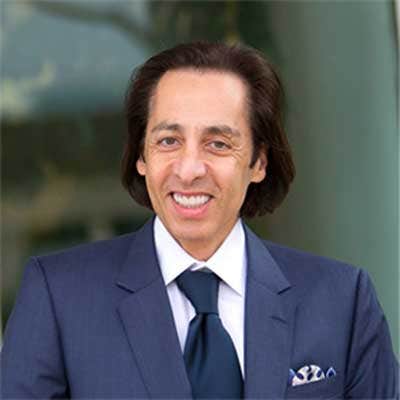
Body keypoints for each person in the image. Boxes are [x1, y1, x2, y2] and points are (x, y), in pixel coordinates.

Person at [1, 42, 398, 399]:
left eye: (218, 144)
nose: (189, 169)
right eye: (168, 141)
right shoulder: (59, 296)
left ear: (258, 162)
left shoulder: (342, 300)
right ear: (142, 156)